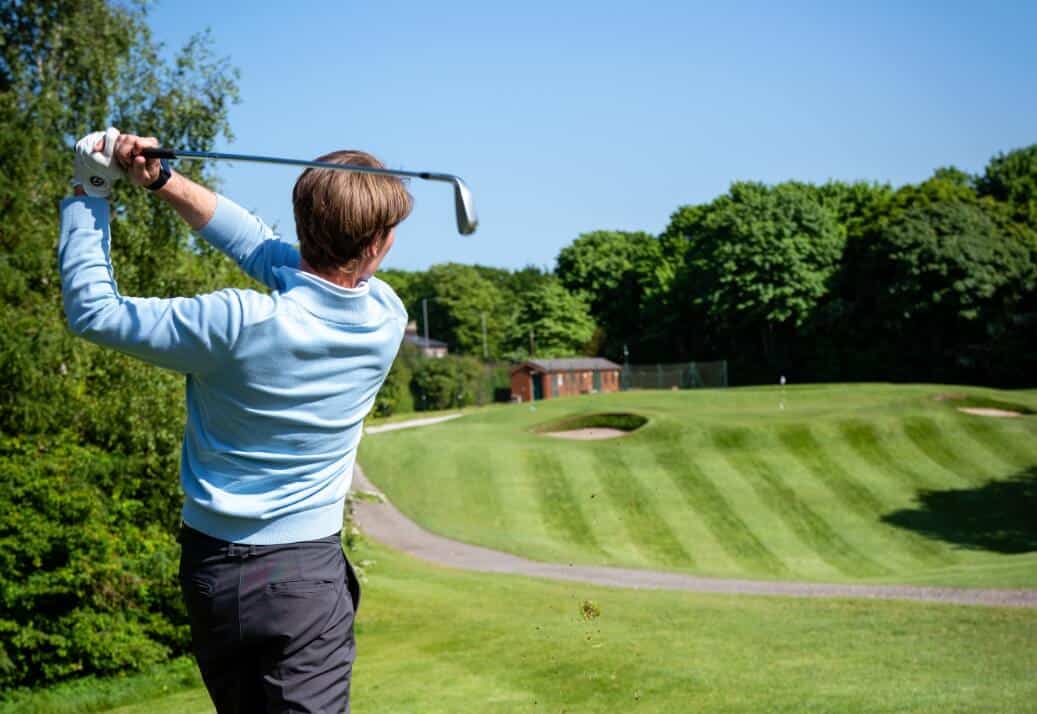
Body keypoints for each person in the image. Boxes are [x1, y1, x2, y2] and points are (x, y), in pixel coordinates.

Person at [59, 128, 412, 713]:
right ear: (378, 245)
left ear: (304, 223)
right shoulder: (386, 317)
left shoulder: (234, 322)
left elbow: (97, 312)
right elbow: (264, 251)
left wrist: (91, 190)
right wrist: (161, 180)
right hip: (306, 577)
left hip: (212, 575)